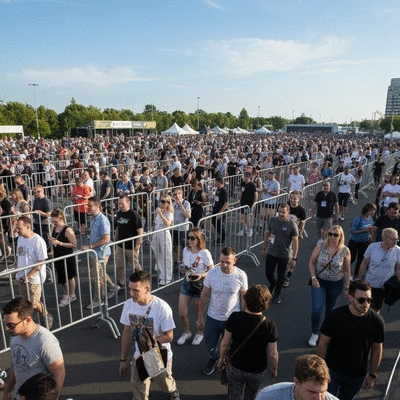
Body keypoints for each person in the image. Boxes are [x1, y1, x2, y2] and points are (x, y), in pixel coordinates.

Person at [317, 280, 385, 400]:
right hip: (332, 371)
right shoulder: (335, 316)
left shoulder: (376, 321)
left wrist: (372, 375)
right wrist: (320, 369)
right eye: (361, 300)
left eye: (369, 300)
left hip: (356, 375)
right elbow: (323, 342)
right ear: (350, 297)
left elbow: (377, 348)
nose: (366, 304)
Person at [119, 271, 180, 400]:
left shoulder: (162, 308)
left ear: (147, 289)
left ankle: (173, 391)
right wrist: (123, 359)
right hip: (139, 355)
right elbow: (126, 332)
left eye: (135, 290)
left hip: (159, 355)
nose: (131, 293)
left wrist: (150, 341)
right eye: (130, 289)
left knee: (166, 385)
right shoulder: (128, 305)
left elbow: (169, 336)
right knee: (138, 390)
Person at [219, 284, 278, 400]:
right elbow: (273, 354)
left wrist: (221, 359)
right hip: (257, 369)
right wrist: (274, 369)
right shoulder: (269, 325)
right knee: (251, 395)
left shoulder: (234, 317)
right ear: (266, 304)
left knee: (234, 393)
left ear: (246, 299)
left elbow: (225, 343)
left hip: (235, 364)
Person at [197, 246, 248, 376]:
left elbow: (244, 298)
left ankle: (226, 362)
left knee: (231, 345)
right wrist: (200, 317)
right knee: (209, 343)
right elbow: (204, 295)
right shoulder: (212, 274)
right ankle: (214, 358)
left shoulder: (241, 276)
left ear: (234, 261)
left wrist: (243, 317)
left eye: (228, 262)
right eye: (222, 261)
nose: (224, 265)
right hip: (213, 317)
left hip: (232, 318)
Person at [2, 298, 65, 400]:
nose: (7, 328)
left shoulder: (46, 342)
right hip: (20, 396)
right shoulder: (15, 334)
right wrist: (8, 390)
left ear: (27, 320)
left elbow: (59, 374)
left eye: (11, 325)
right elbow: (15, 363)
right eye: (5, 323)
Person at [308, 225, 351, 347]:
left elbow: (347, 270)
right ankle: (315, 332)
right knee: (317, 308)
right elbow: (311, 262)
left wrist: (347, 287)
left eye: (335, 235)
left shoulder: (345, 251)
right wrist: (313, 277)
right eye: (330, 234)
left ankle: (326, 333)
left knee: (330, 310)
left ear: (340, 236)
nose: (332, 237)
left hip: (336, 283)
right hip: (319, 282)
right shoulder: (321, 246)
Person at [14, 216, 53, 329]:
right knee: (26, 303)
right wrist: (15, 269)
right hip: (21, 276)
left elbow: (40, 262)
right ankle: (30, 324)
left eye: (19, 227)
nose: (17, 230)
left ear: (28, 227)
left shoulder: (38, 241)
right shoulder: (20, 239)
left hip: (34, 278)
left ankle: (46, 315)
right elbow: (18, 255)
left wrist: (28, 275)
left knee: (34, 303)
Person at [177, 228, 214, 347]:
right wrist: (182, 269)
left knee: (199, 313)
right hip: (187, 282)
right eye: (188, 238)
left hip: (200, 284)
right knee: (182, 312)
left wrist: (201, 275)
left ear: (198, 239)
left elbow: (211, 271)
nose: (189, 240)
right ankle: (186, 332)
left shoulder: (205, 253)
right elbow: (183, 265)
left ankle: (199, 333)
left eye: (192, 238)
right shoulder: (185, 250)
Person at [81, 197, 119, 309]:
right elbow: (95, 232)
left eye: (90, 206)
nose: (88, 208)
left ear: (97, 206)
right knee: (100, 273)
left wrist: (90, 246)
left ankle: (97, 299)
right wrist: (87, 231)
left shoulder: (103, 220)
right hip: (95, 252)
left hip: (101, 253)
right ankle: (112, 287)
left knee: (97, 276)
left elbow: (106, 239)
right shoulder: (93, 218)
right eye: (87, 205)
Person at [261, 203, 299, 304]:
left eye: (283, 212)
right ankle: (273, 283)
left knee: (281, 276)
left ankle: (277, 294)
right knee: (268, 273)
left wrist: (294, 258)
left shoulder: (292, 224)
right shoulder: (273, 220)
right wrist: (264, 248)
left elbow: (295, 242)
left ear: (288, 212)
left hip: (285, 255)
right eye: (280, 212)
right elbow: (268, 234)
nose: (281, 214)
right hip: (271, 252)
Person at [255, 354, 338, 400]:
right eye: (312, 392)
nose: (319, 399)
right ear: (297, 382)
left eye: (323, 392)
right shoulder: (269, 396)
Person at [357, 228, 400, 313]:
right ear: (384, 238)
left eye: (397, 239)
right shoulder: (372, 247)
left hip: (385, 286)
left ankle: (373, 322)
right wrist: (359, 278)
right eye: (393, 239)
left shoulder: (398, 250)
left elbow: (398, 268)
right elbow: (364, 263)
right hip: (370, 283)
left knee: (377, 308)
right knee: (365, 305)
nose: (396, 241)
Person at [49, 209, 77, 308]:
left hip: (67, 256)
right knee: (61, 276)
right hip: (58, 256)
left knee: (69, 276)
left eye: (55, 221)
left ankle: (72, 294)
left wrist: (59, 243)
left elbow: (74, 245)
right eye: (52, 221)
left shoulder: (68, 230)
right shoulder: (54, 228)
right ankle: (66, 293)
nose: (53, 223)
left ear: (61, 219)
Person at [114, 194, 143, 287]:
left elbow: (140, 231)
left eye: (122, 203)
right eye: (119, 203)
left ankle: (141, 280)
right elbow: (117, 228)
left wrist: (137, 245)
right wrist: (115, 241)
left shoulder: (134, 215)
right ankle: (122, 282)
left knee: (135, 266)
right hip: (120, 245)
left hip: (131, 246)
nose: (120, 205)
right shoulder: (119, 214)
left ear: (128, 203)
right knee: (120, 266)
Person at [283, 190, 306, 287]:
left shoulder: (301, 210)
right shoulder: (286, 206)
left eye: (295, 199)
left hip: (293, 236)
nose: (292, 200)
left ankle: (287, 276)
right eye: (291, 198)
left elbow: (303, 223)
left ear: (299, 199)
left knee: (292, 257)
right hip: (283, 234)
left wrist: (300, 233)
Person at [347, 202, 376, 277]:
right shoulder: (359, 218)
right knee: (351, 258)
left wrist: (371, 232)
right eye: (371, 210)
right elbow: (352, 231)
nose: (373, 212)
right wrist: (363, 230)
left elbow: (370, 229)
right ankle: (346, 271)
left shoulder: (371, 219)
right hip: (354, 241)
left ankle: (356, 275)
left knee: (361, 259)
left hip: (364, 242)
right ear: (367, 210)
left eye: (374, 210)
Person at [153, 194, 174, 285]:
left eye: (163, 201)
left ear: (167, 203)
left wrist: (161, 214)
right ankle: (162, 274)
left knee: (166, 255)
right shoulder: (158, 211)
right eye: (160, 201)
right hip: (157, 234)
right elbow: (155, 223)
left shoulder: (170, 213)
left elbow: (168, 223)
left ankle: (168, 276)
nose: (161, 203)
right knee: (158, 254)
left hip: (164, 235)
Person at [172, 187, 191, 265]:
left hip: (183, 228)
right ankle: (177, 259)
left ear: (182, 194)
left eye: (179, 193)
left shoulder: (186, 203)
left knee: (183, 246)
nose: (177, 196)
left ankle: (184, 261)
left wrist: (181, 206)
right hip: (174, 227)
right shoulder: (173, 204)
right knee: (175, 245)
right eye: (175, 194)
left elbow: (188, 215)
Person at [237, 171, 257, 237]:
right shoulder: (243, 183)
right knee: (242, 217)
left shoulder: (252, 185)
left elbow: (255, 194)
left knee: (247, 217)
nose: (245, 178)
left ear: (249, 177)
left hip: (249, 203)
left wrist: (254, 203)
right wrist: (239, 197)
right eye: (244, 176)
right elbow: (241, 191)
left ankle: (249, 229)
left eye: (246, 177)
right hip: (243, 202)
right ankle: (244, 229)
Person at [32, 185, 52, 249]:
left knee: (44, 238)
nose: (37, 194)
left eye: (38, 191)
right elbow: (34, 210)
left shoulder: (46, 201)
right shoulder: (36, 200)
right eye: (35, 192)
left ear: (43, 191)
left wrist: (40, 212)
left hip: (44, 222)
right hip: (37, 221)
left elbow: (48, 214)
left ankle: (48, 250)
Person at [211, 177, 229, 244]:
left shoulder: (224, 191)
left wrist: (221, 212)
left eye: (217, 183)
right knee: (214, 222)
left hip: (220, 211)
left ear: (220, 183)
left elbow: (226, 203)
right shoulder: (217, 190)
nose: (216, 185)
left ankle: (223, 237)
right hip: (215, 209)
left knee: (220, 224)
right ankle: (222, 235)